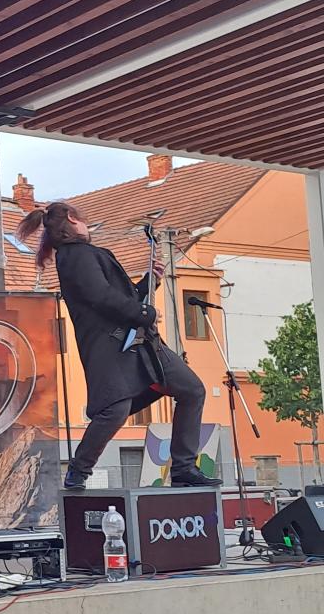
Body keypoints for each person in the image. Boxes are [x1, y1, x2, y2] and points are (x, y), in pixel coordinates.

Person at [15, 202, 222, 490]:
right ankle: (78, 470)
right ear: (73, 219)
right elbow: (100, 297)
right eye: (83, 218)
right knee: (115, 409)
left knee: (191, 390)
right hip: (113, 347)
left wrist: (149, 283)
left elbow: (119, 297)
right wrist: (145, 313)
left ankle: (184, 467)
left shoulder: (82, 255)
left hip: (139, 343)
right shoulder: (76, 256)